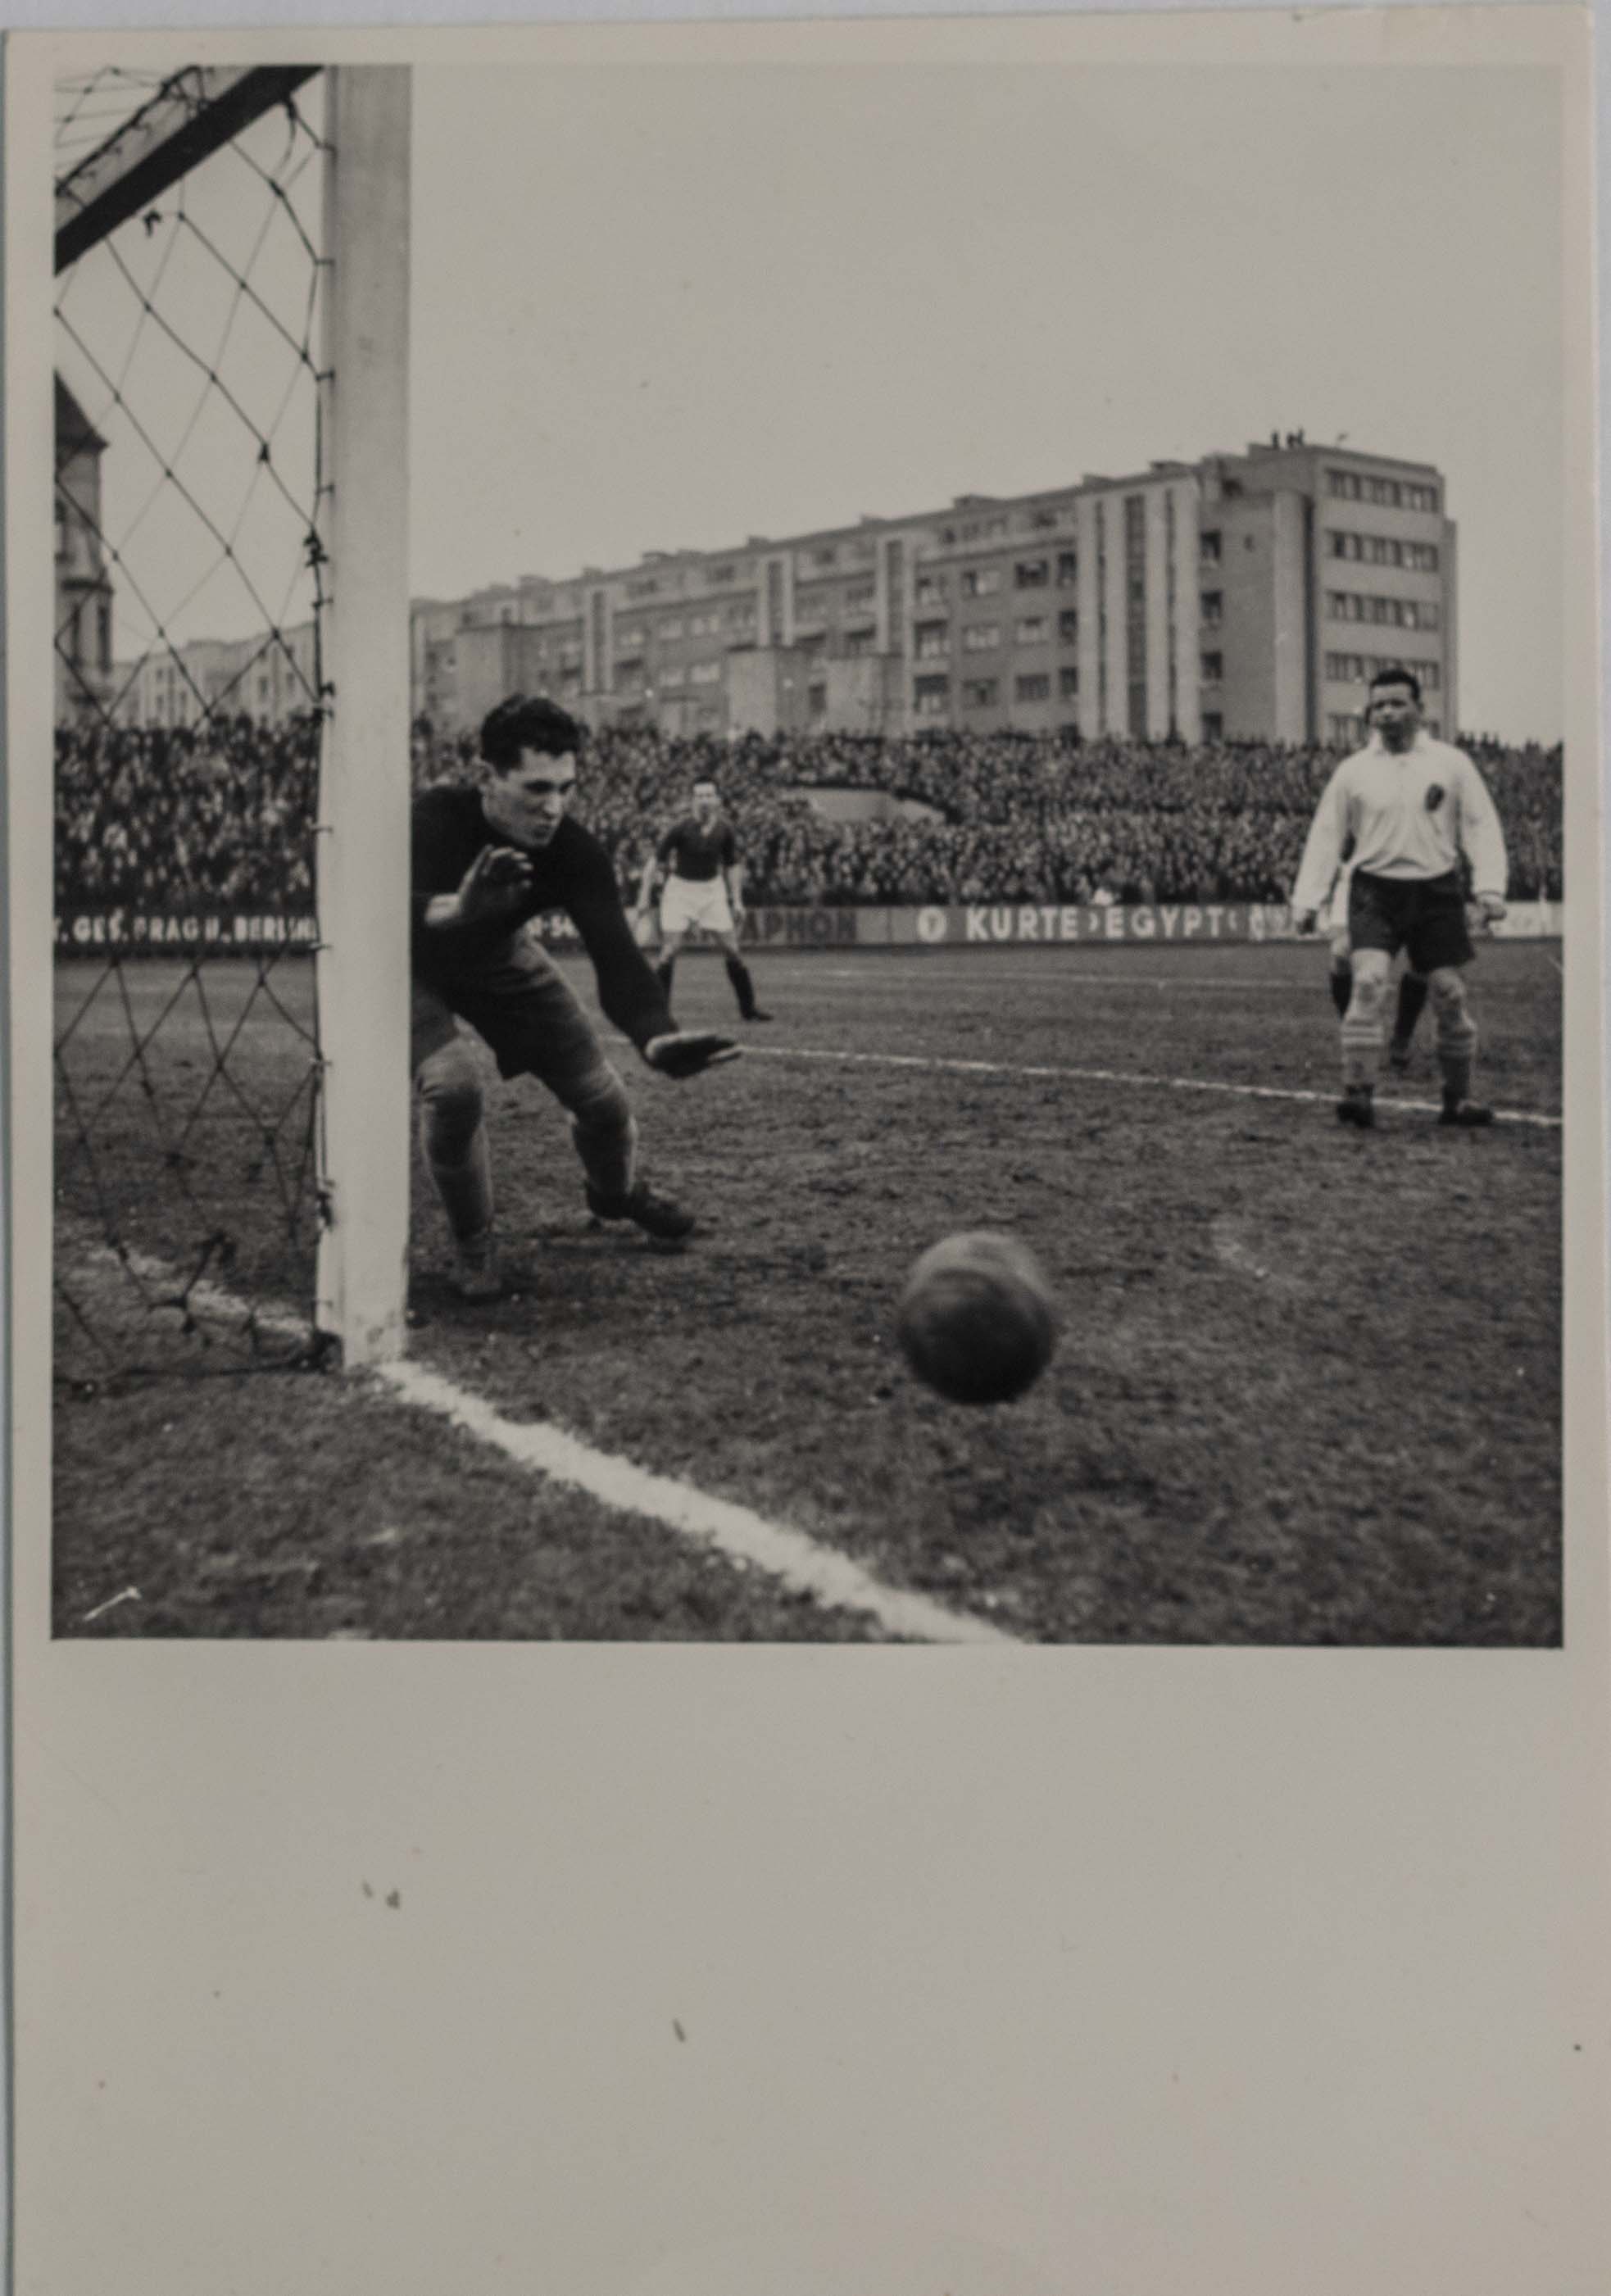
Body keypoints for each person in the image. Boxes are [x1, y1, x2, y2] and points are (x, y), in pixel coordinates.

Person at [411, 695, 739, 1300]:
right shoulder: (434, 817)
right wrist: (459, 908)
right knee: (454, 1086)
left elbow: (617, 957)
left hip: (498, 956)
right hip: (406, 963)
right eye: (537, 787)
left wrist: (655, 1033)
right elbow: (386, 914)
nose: (554, 807)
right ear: (488, 777)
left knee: (604, 1102)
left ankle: (615, 1196)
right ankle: (474, 1243)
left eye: (566, 787)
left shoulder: (574, 851)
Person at [1292, 667, 1508, 1128]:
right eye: (1378, 706)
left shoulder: (1451, 764)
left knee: (1450, 993)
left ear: (1419, 710)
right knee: (1368, 982)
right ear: (1369, 714)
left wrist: (1490, 887)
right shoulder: (1352, 772)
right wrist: (1308, 899)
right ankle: (1359, 1093)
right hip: (1375, 890)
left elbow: (1480, 824)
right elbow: (1326, 835)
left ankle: (1458, 1100)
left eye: (1397, 703)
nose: (1387, 713)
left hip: (1436, 891)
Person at [637, 775, 772, 1023]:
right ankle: (659, 1013)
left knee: (732, 949)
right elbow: (655, 861)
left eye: (709, 795)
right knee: (669, 951)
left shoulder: (725, 830)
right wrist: (644, 896)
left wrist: (737, 900)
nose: (704, 800)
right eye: (699, 796)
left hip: (712, 891)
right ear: (692, 800)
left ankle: (748, 1009)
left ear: (717, 800)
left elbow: (732, 865)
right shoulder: (680, 828)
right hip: (680, 891)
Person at [1318, 859, 1431, 1071]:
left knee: (1423, 960)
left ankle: (1401, 1039)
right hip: (1358, 874)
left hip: (1415, 875)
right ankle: (1353, 1033)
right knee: (1341, 952)